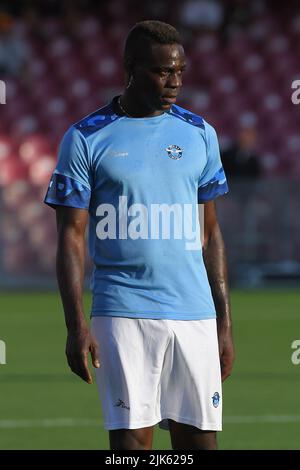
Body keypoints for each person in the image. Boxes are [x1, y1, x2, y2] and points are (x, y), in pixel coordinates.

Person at [44, 20, 235, 450]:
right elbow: (70, 238)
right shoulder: (85, 139)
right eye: (163, 71)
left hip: (195, 315)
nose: (175, 82)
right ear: (130, 68)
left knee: (200, 446)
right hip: (122, 312)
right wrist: (75, 326)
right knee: (133, 448)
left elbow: (211, 232)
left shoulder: (201, 134)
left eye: (181, 71)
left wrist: (223, 320)